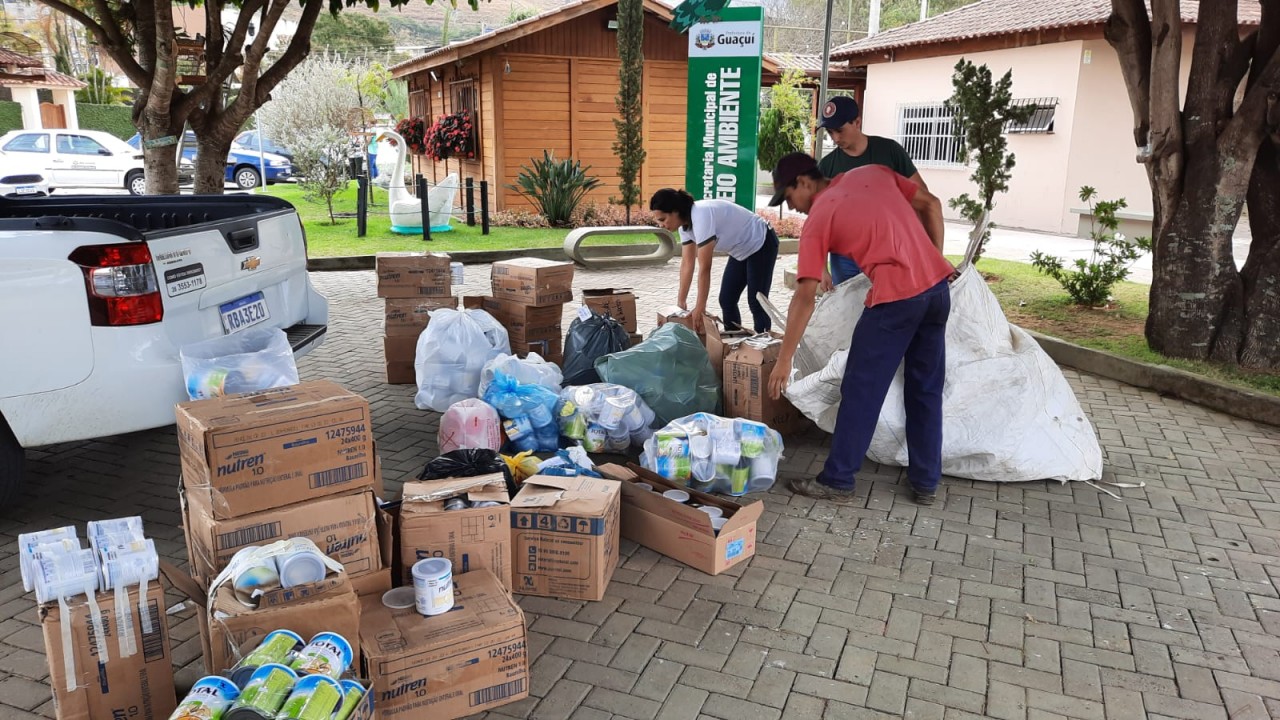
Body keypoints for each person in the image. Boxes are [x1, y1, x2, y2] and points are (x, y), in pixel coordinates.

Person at [765, 152, 953, 506]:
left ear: (804, 182)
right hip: (937, 293)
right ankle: (926, 482)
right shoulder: (872, 171)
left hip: (895, 300)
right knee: (925, 389)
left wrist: (783, 359)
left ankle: (838, 480)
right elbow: (931, 203)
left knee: (861, 389)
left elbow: (804, 297)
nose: (793, 207)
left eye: (790, 198)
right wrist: (934, 261)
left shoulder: (819, 217)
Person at [816, 96, 930, 290]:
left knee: (890, 308)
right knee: (850, 313)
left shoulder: (889, 151)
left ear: (857, 122)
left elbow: (923, 200)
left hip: (890, 250)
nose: (835, 138)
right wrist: (821, 269)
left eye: (840, 130)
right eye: (830, 132)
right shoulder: (826, 167)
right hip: (845, 257)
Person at [649, 189, 780, 334]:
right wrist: (681, 302)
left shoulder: (701, 216)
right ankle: (735, 345)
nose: (661, 225)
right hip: (741, 250)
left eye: (662, 219)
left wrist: (700, 306)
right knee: (726, 300)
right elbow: (687, 264)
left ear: (675, 211)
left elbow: (705, 267)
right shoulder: (684, 226)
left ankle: (765, 348)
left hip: (761, 241)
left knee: (757, 302)